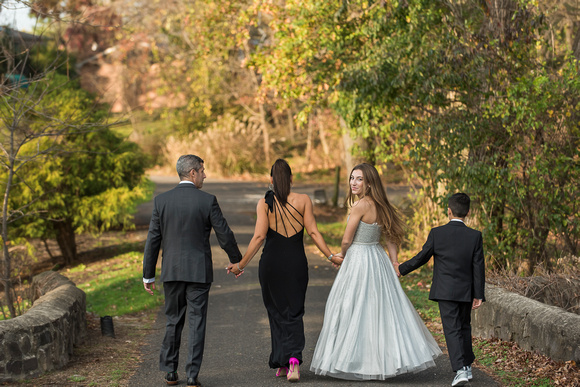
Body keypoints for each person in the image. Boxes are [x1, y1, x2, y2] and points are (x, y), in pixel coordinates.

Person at [310, 163, 442, 380]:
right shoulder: (383, 206)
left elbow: (346, 238)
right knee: (379, 308)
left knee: (352, 306)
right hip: (377, 258)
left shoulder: (360, 205)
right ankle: (382, 360)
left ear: (369, 183)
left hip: (359, 258)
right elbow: (390, 237)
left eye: (359, 179)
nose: (353, 182)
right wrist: (394, 261)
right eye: (352, 178)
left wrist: (342, 255)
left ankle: (358, 360)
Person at [227, 159, 340, 383]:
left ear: (270, 179)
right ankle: (292, 361)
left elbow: (259, 237)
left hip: (271, 264)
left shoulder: (264, 203)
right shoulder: (304, 200)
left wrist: (241, 264)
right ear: (291, 178)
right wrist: (330, 256)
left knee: (276, 311)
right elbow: (314, 232)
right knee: (295, 311)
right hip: (296, 263)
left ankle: (282, 360)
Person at [142, 154, 242, 387]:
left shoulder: (162, 201)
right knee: (197, 323)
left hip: (172, 272)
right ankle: (192, 375)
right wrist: (236, 261)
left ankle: (169, 371)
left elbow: (153, 240)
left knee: (173, 320)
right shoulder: (207, 201)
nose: (205, 175)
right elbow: (224, 234)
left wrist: (148, 274)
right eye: (202, 170)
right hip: (198, 272)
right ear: (193, 172)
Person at [399, 192, 485, 387]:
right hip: (466, 291)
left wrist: (401, 269)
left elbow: (422, 257)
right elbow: (478, 267)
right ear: (468, 212)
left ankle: (461, 370)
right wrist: (478, 294)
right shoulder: (474, 236)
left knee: (452, 329)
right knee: (464, 327)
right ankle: (468, 366)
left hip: (445, 291)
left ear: (448, 211)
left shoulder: (437, 233)